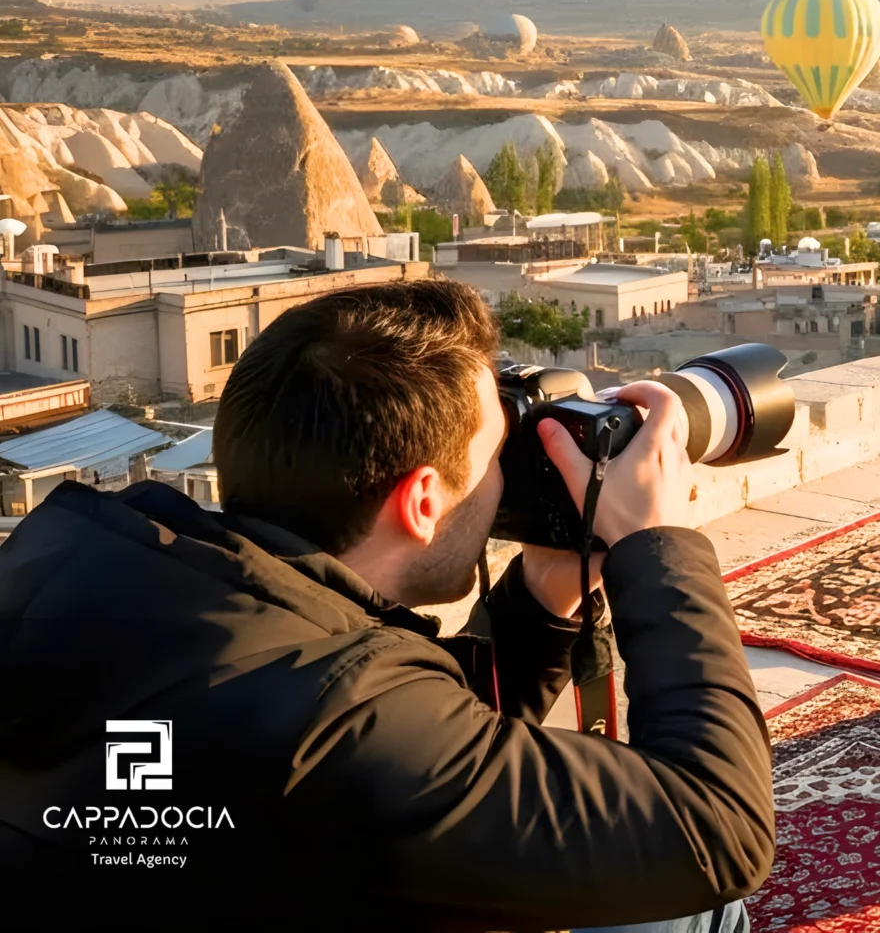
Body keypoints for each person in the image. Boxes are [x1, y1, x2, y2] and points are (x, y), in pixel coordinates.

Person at [0, 279, 773, 930]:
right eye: (497, 452)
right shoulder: (338, 717)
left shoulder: (75, 551)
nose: (507, 475)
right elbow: (720, 827)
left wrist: (545, 597)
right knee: (687, 908)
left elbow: (418, 760)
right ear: (423, 500)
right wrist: (657, 547)